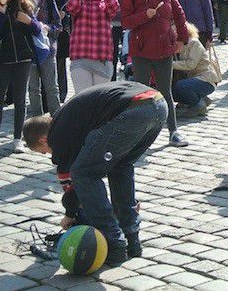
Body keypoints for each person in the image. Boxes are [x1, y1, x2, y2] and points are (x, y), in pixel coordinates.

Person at [22, 81, 167, 266]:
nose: (49, 154)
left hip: (133, 111)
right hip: (158, 104)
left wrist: (70, 214)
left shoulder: (58, 136)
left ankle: (114, 243)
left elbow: (72, 183)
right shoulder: (67, 119)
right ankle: (132, 240)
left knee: (83, 174)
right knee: (120, 166)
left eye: (44, 151)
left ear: (44, 139)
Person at [121, 0, 190, 147]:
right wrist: (145, 15)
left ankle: (173, 131)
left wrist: (182, 39)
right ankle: (140, 133)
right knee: (142, 91)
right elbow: (125, 21)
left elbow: (179, 15)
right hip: (141, 50)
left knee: (165, 91)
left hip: (164, 49)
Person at [0, 0, 42, 152]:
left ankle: (17, 138)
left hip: (23, 58)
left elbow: (38, 30)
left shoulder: (23, 7)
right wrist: (1, 16)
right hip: (3, 59)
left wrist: (30, 22)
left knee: (19, 99)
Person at [66, 0, 120, 90]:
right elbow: (71, 6)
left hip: (102, 58)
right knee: (83, 97)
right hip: (80, 57)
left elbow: (114, 6)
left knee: (100, 99)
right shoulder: (81, 4)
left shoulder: (106, 5)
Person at [24, 0, 62, 118]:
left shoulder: (49, 1)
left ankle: (57, 119)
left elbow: (58, 25)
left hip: (48, 50)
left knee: (52, 87)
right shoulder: (22, 1)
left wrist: (48, 28)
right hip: (28, 50)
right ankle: (36, 121)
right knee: (33, 88)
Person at [172, 22, 219, 118]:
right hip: (194, 79)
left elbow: (191, 65)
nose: (173, 34)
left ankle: (199, 105)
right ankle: (199, 99)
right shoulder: (178, 44)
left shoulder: (194, 43)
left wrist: (171, 64)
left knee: (181, 86)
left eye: (175, 31)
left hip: (206, 80)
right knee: (173, 89)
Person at [103, 0, 127, 80]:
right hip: (110, 22)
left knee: (125, 50)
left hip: (122, 21)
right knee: (112, 53)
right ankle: (112, 78)